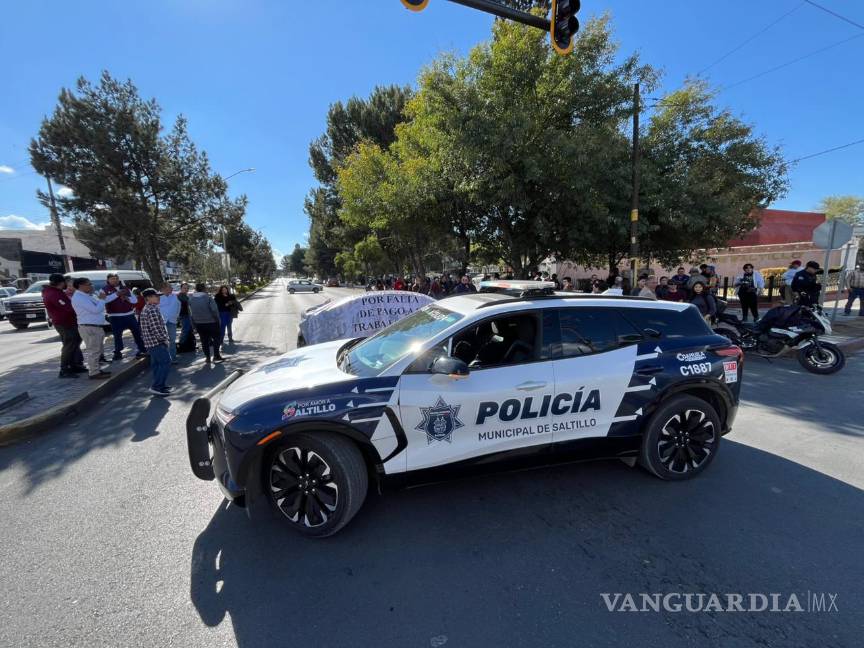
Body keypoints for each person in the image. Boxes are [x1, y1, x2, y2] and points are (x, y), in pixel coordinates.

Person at [42, 273, 86, 378]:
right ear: (61, 283)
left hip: (69, 321)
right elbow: (67, 307)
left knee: (75, 342)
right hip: (64, 323)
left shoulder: (56, 292)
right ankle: (64, 369)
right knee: (69, 344)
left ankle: (74, 365)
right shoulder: (53, 294)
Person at [70, 278, 111, 379]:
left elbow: (100, 307)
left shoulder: (87, 296)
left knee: (97, 350)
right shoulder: (79, 298)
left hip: (94, 327)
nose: (91, 286)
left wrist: (100, 299)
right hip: (89, 327)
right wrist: (101, 299)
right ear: (81, 286)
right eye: (88, 284)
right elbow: (96, 310)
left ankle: (95, 369)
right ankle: (93, 372)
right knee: (94, 351)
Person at [103, 273, 146, 360]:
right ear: (108, 280)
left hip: (129, 315)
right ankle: (118, 353)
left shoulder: (125, 288)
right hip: (114, 316)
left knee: (137, 333)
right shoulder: (104, 290)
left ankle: (142, 349)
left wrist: (127, 298)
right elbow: (104, 300)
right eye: (112, 279)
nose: (115, 280)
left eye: (116, 278)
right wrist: (117, 294)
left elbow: (134, 301)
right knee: (117, 335)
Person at [139, 288, 171, 397]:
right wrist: (164, 340)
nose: (158, 297)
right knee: (165, 362)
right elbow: (156, 329)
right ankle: (157, 386)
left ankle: (160, 385)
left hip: (151, 343)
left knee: (157, 365)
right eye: (155, 296)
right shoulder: (151, 310)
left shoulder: (148, 308)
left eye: (158, 295)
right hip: (156, 343)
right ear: (148, 298)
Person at [189, 283, 223, 363]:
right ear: (204, 289)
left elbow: (190, 313)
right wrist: (218, 319)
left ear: (196, 289)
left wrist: (193, 324)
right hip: (211, 322)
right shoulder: (208, 298)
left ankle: (207, 357)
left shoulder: (191, 299)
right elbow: (214, 310)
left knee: (204, 341)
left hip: (199, 323)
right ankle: (216, 355)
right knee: (217, 339)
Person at [159, 283, 181, 362]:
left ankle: (173, 358)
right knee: (163, 340)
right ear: (164, 289)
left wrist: (176, 315)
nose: (171, 289)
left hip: (172, 321)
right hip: (162, 322)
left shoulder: (175, 297)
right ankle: (165, 358)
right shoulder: (159, 298)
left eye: (171, 288)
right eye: (169, 287)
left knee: (172, 339)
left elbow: (179, 306)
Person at [177, 282, 195, 353]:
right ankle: (181, 345)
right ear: (181, 288)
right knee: (185, 330)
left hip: (188, 315)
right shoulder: (180, 296)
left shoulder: (186, 295)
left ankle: (188, 345)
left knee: (188, 330)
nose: (186, 289)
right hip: (183, 315)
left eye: (187, 288)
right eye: (184, 288)